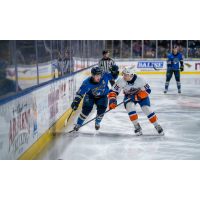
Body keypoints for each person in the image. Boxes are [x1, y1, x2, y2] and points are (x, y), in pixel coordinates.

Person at [108, 66, 164, 136]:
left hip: (141, 97)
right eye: (123, 74)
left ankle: (157, 125)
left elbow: (148, 90)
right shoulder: (121, 80)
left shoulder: (140, 79)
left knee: (146, 109)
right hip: (129, 97)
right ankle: (137, 126)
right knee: (129, 107)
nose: (123, 76)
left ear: (131, 75)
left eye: (126, 75)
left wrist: (138, 96)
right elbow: (113, 91)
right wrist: (112, 100)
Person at [71, 65, 119, 131]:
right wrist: (76, 101)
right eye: (97, 76)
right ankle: (78, 124)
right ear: (93, 75)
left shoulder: (104, 75)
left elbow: (113, 77)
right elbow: (80, 93)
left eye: (100, 75)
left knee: (102, 110)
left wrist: (115, 72)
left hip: (103, 95)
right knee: (86, 109)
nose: (99, 77)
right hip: (91, 95)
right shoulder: (86, 83)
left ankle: (97, 122)